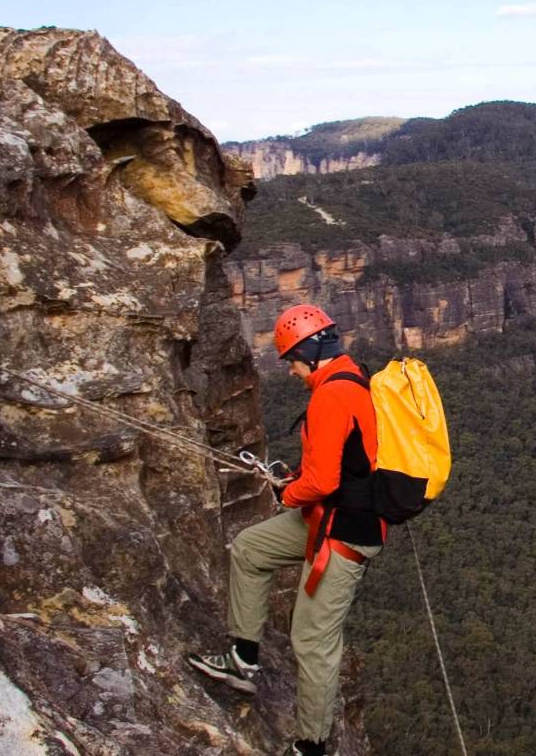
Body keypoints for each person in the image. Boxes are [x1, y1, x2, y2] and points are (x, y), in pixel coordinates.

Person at [189, 303, 383, 756]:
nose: (293, 372)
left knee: (312, 640)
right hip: (327, 517)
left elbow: (322, 482)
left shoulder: (333, 395)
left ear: (312, 352)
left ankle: (311, 746)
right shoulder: (351, 376)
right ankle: (243, 659)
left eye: (293, 361)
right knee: (251, 548)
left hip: (346, 531)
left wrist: (286, 494)